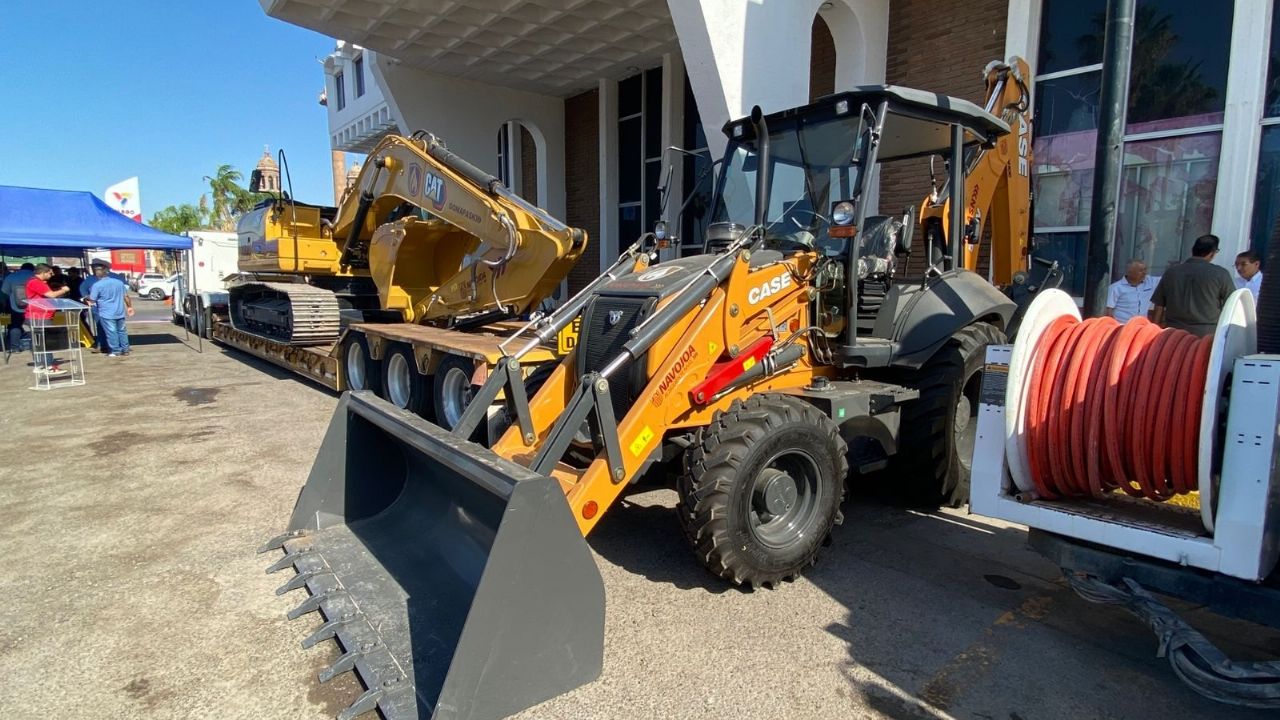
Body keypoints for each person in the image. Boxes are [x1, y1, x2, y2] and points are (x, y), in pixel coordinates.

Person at [1149, 234, 1236, 337]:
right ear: (1212, 254)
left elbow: (1159, 305)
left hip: (1173, 333)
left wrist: (1154, 332)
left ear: (1193, 250)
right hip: (1206, 335)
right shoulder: (1220, 274)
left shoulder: (1172, 272)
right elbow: (1232, 305)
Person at [24, 264, 71, 374]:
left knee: (38, 342)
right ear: (43, 273)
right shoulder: (36, 282)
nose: (52, 274)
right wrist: (64, 290)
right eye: (50, 273)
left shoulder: (35, 282)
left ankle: (40, 365)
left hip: (37, 315)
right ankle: (49, 366)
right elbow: (51, 295)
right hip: (40, 316)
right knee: (46, 341)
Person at [85, 263, 134, 356]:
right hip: (120, 311)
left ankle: (115, 351)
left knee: (111, 332)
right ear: (106, 272)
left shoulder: (97, 285)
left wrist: (86, 298)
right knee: (122, 331)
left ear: (96, 274)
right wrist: (129, 307)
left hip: (106, 312)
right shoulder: (119, 283)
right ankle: (125, 349)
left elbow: (92, 299)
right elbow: (126, 296)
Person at [2, 262, 36, 352]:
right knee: (35, 326)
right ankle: (36, 346)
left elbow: (3, 294)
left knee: (15, 326)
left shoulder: (11, 277)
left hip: (15, 307)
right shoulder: (36, 277)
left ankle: (15, 348)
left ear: (21, 268)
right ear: (32, 269)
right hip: (34, 307)